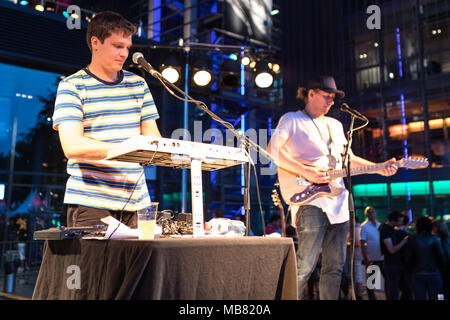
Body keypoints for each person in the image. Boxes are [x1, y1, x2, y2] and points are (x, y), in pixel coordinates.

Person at [267, 76, 398, 300]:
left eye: (333, 98)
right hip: (310, 200)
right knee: (305, 264)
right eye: (327, 96)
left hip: (338, 201)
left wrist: (379, 167)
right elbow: (272, 150)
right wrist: (305, 170)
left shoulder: (335, 125)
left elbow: (349, 160)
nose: (331, 101)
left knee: (335, 266)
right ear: (311, 93)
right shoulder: (291, 119)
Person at [53, 12, 162, 228]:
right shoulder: (72, 86)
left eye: (127, 47)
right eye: (117, 46)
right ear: (96, 43)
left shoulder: (138, 84)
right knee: (93, 264)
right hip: (90, 201)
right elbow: (73, 146)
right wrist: (128, 149)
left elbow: (153, 139)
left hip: (138, 202)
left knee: (141, 263)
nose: (124, 53)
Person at [405, 217, 446, 300]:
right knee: (436, 297)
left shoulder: (412, 239)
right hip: (434, 273)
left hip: (417, 273)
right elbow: (441, 257)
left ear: (417, 226)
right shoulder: (435, 239)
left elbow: (408, 258)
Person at [379, 210, 409, 300]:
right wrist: (405, 241)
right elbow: (391, 250)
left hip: (398, 263)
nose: (401, 223)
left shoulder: (392, 229)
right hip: (391, 264)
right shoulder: (385, 230)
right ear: (393, 220)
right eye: (400, 221)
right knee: (393, 291)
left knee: (405, 289)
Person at [360, 206, 384, 300]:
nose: (371, 213)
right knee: (371, 282)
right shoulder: (364, 226)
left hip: (382, 257)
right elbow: (362, 242)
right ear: (366, 214)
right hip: (372, 258)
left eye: (372, 211)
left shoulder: (380, 225)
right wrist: (366, 258)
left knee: (387, 280)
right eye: (369, 212)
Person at [432, 219, 449, 300]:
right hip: (445, 268)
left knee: (441, 290)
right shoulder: (446, 239)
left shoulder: (438, 240)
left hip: (442, 269)